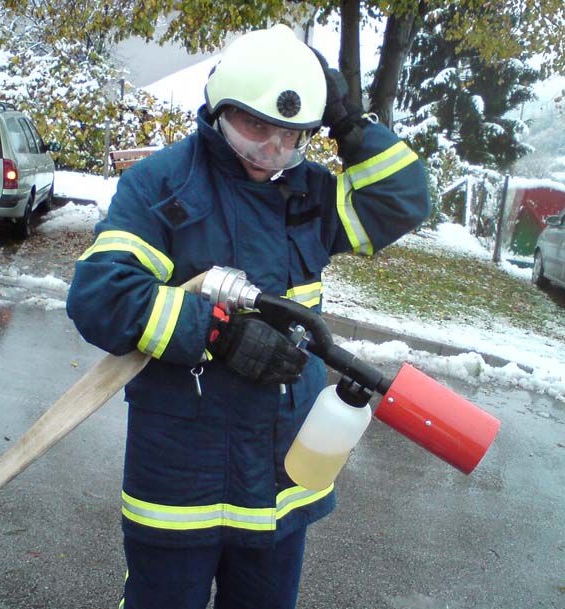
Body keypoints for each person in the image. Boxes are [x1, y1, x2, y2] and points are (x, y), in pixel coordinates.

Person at [67, 25, 429, 609]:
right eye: (255, 127)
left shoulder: (311, 193)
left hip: (281, 478)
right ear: (218, 110)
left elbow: (403, 201)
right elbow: (101, 296)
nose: (271, 151)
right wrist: (217, 333)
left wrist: (348, 123)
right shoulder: (161, 185)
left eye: (291, 136)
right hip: (181, 476)